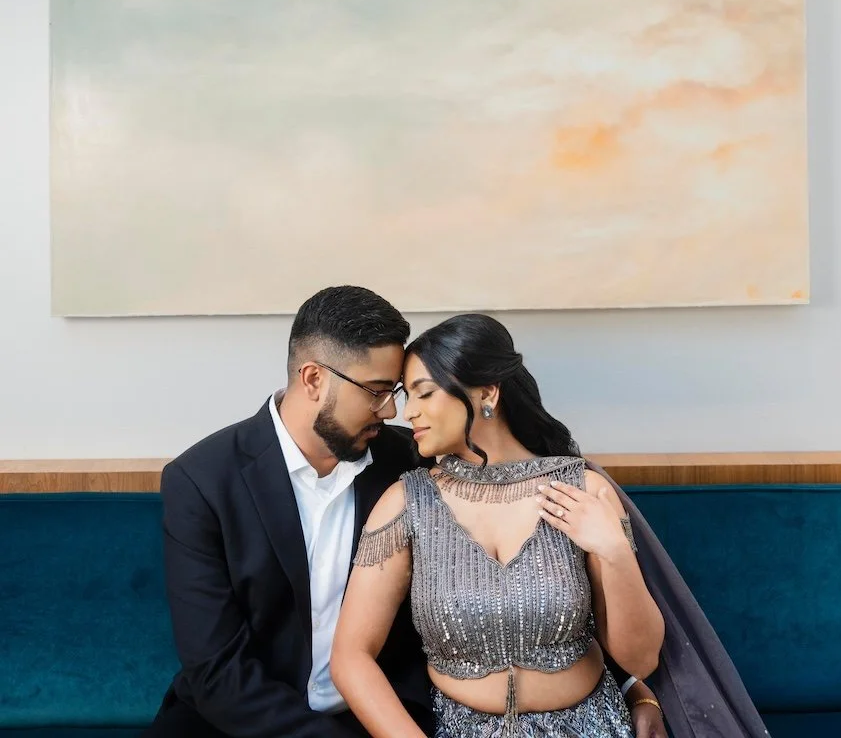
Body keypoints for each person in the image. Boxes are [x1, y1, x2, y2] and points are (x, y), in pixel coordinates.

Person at [147, 287, 664, 738]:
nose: (394, 411)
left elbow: (535, 587)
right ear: (312, 380)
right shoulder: (203, 481)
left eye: (402, 393)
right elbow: (218, 671)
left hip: (384, 711)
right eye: (378, 393)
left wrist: (633, 687)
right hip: (240, 717)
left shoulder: (407, 459)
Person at [331, 314, 770, 738]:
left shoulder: (584, 490)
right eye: (409, 397)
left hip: (592, 727)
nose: (409, 415)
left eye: (424, 394)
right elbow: (351, 656)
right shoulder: (405, 503)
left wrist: (614, 552)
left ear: (487, 394)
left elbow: (641, 658)